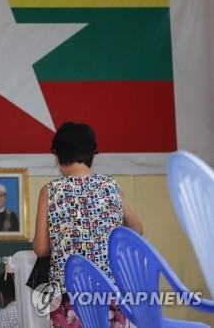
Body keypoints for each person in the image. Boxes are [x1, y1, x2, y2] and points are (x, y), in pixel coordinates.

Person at [33, 122, 143, 328]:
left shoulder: (50, 191)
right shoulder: (111, 186)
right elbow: (136, 230)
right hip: (110, 293)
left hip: (70, 298)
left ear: (56, 155)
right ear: (93, 152)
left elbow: (41, 249)